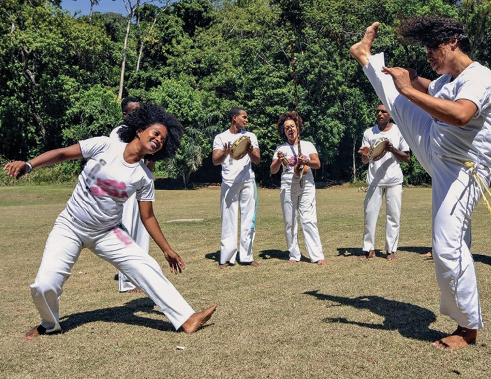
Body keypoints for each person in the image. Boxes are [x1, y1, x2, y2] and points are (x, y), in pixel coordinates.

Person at [350, 18, 491, 349]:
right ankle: (364, 55)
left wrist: (406, 88)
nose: (429, 55)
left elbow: (461, 114)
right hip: (438, 148)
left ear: (451, 42)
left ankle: (467, 327)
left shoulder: (480, 77)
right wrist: (403, 78)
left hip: (465, 169)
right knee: (398, 100)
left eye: (432, 49)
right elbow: (429, 88)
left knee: (446, 243)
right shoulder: (449, 79)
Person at [4, 104, 216, 339]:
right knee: (45, 284)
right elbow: (63, 153)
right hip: (71, 225)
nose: (158, 140)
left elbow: (147, 216)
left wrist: (166, 249)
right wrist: (29, 164)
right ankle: (49, 324)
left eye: (163, 140)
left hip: (108, 232)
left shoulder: (144, 177)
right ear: (140, 130)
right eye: (155, 133)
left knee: (145, 266)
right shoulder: (105, 145)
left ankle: (186, 319)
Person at [270, 112, 326, 265]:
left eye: (292, 127)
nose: (290, 130)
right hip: (288, 184)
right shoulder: (280, 148)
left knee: (309, 219)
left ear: (298, 128)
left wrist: (306, 161)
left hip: (307, 183)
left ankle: (317, 255)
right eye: (287, 128)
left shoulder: (307, 145)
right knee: (290, 220)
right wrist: (279, 161)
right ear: (284, 131)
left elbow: (317, 164)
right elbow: (273, 170)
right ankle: (294, 255)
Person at [111, 96, 153, 293]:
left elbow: (149, 164)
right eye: (134, 111)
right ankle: (126, 281)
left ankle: (141, 278)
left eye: (140, 110)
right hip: (124, 188)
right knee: (126, 232)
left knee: (143, 232)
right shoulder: (118, 133)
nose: (138, 113)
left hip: (141, 185)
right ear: (125, 114)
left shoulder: (145, 133)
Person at [358, 104, 410, 261]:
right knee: (369, 215)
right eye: (378, 111)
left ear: (391, 115)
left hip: (394, 179)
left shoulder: (399, 130)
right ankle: (369, 249)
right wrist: (366, 155)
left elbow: (407, 158)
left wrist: (392, 150)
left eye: (383, 111)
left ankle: (391, 250)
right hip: (374, 180)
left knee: (393, 215)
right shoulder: (369, 132)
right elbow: (364, 160)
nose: (379, 114)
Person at [212, 107, 261, 268]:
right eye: (244, 117)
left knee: (248, 220)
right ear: (234, 118)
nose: (246, 120)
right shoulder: (221, 137)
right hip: (229, 182)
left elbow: (257, 159)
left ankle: (247, 256)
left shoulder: (250, 136)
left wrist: (250, 150)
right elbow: (215, 160)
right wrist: (226, 153)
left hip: (247, 182)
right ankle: (226, 257)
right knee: (228, 220)